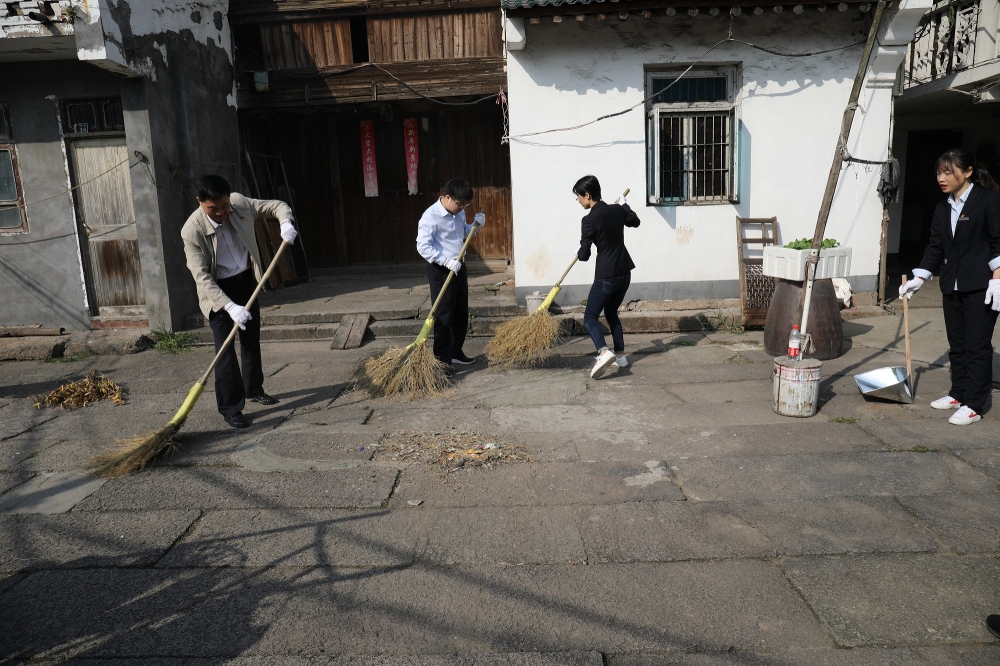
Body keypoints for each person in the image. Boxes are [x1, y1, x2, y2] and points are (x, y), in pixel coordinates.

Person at [181, 175, 298, 429]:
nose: (222, 212)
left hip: (246, 282)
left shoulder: (239, 203)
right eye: (214, 208)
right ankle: (231, 408)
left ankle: (253, 389)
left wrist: (285, 222)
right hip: (217, 292)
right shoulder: (192, 230)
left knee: (251, 340)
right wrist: (229, 306)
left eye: (224, 206)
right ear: (200, 202)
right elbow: (202, 277)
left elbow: (275, 206)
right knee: (224, 351)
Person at [899, 148, 1000, 425]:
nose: (941, 178)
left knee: (977, 346)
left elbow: (998, 242)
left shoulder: (989, 200)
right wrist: (920, 278)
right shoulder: (943, 207)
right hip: (952, 285)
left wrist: (998, 279)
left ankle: (975, 404)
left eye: (948, 172)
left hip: (982, 286)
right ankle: (958, 392)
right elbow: (935, 246)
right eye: (938, 172)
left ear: (967, 172)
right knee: (957, 344)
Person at [415, 178, 486, 377]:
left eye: (465, 204)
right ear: (447, 197)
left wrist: (475, 226)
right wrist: (445, 261)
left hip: (459, 267)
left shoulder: (459, 212)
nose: (462, 207)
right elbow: (422, 246)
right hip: (441, 269)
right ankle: (442, 361)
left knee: (461, 313)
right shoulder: (431, 216)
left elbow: (462, 233)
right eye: (459, 203)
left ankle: (455, 352)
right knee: (443, 316)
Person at [574, 175, 640, 379]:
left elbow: (584, 256)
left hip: (606, 276)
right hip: (624, 273)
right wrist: (625, 205)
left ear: (588, 195)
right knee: (611, 312)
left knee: (590, 317)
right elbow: (635, 222)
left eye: (579, 197)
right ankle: (620, 357)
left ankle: (603, 352)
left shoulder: (589, 220)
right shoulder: (616, 210)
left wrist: (580, 250)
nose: (578, 201)